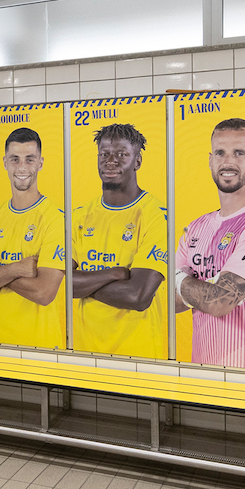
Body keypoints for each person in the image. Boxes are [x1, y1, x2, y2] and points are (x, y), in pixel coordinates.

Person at [174, 118, 245, 370]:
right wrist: (206, 290)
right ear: (210, 160)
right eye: (220, 153)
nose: (228, 162)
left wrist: (180, 280)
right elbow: (167, 301)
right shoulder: (196, 227)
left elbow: (220, 301)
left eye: (239, 153)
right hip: (204, 373)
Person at [72, 123, 167, 358]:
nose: (111, 161)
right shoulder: (80, 216)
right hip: (84, 352)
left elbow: (138, 296)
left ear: (137, 161)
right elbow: (59, 284)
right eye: (104, 154)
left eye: (121, 154)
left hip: (139, 354)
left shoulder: (156, 215)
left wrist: (83, 284)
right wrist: (114, 274)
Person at [0, 127, 66, 349]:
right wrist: (17, 269)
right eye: (15, 159)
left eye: (30, 160)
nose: (22, 167)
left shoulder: (56, 220)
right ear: (4, 162)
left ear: (41, 163)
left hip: (43, 347)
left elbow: (44, 292)